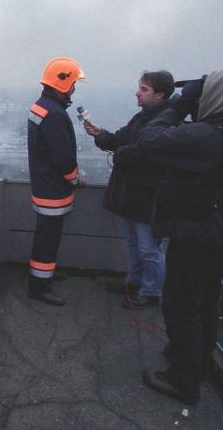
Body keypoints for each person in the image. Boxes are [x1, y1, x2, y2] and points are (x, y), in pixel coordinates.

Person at [113, 64, 223, 404]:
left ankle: (183, 380)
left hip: (200, 232)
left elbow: (150, 140)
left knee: (181, 303)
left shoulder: (210, 135)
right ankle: (199, 363)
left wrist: (179, 105)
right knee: (204, 299)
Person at [83, 71, 175, 308]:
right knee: (134, 244)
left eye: (144, 89)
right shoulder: (142, 118)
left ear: (161, 94)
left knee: (149, 248)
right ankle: (134, 282)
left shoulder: (168, 123)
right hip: (133, 195)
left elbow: (144, 154)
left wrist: (122, 154)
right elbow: (119, 139)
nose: (138, 92)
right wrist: (100, 134)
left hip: (149, 198)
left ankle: (151, 292)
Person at [26, 56, 86, 306]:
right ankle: (39, 286)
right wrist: (74, 179)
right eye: (73, 84)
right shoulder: (56, 115)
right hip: (53, 191)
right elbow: (64, 159)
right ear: (63, 84)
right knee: (47, 240)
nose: (73, 89)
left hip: (43, 185)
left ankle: (43, 277)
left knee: (45, 237)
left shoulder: (39, 107)